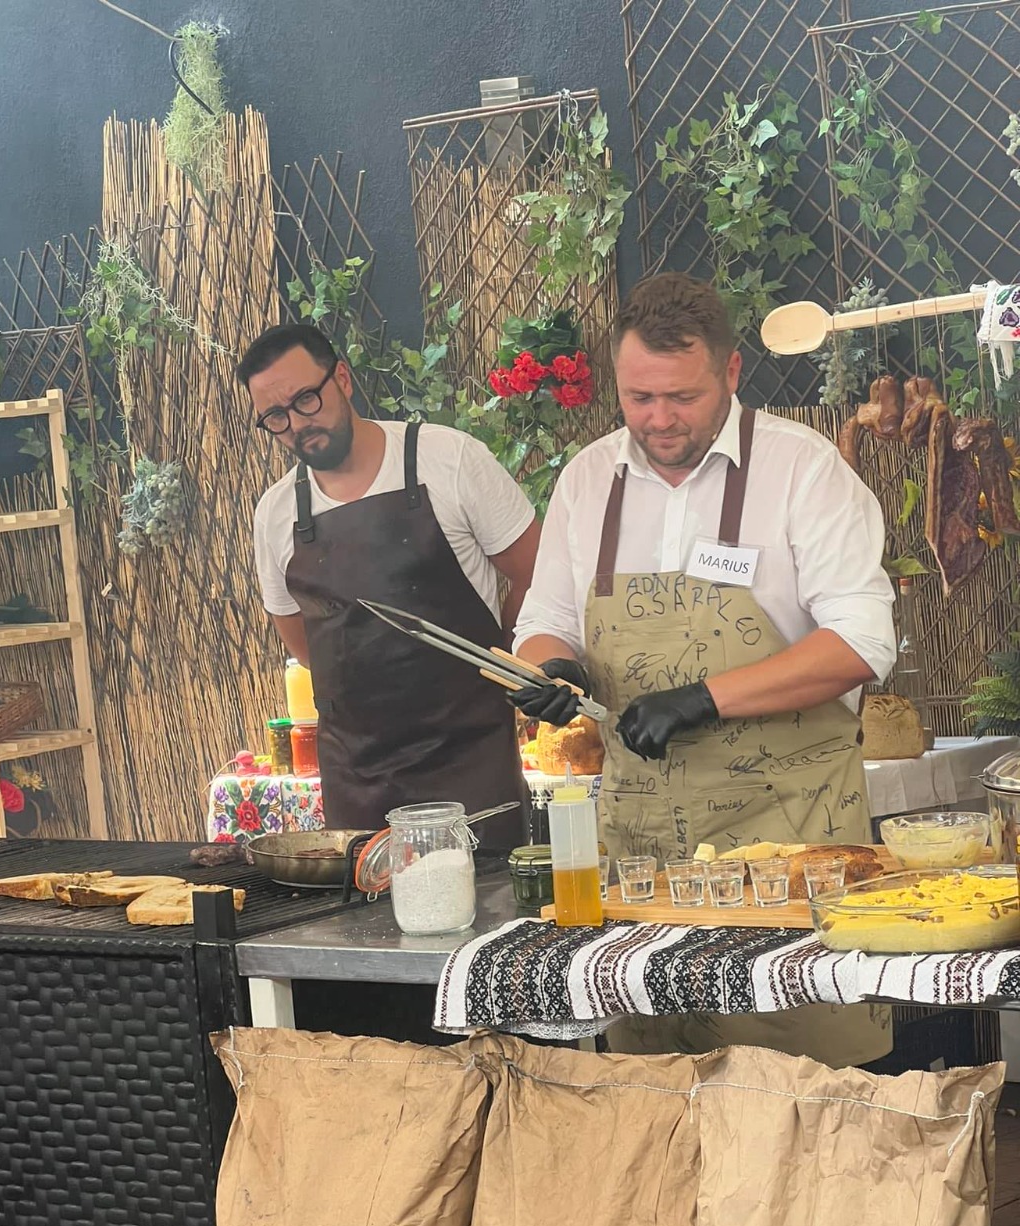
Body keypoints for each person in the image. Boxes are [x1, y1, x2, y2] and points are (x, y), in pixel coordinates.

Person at [511, 272, 897, 1065]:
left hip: (791, 852)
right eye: (639, 397)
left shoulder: (802, 471)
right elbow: (542, 622)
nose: (659, 419)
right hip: (641, 860)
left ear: (730, 371)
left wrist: (705, 698)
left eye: (682, 397)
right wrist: (553, 671)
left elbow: (862, 642)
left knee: (800, 1093)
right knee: (655, 1091)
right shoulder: (588, 481)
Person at [240, 324, 538, 848]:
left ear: (342, 379)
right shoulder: (276, 514)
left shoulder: (449, 460)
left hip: (472, 760)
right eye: (276, 417)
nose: (298, 424)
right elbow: (303, 643)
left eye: (306, 399)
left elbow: (536, 573)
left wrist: (502, 660)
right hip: (359, 781)